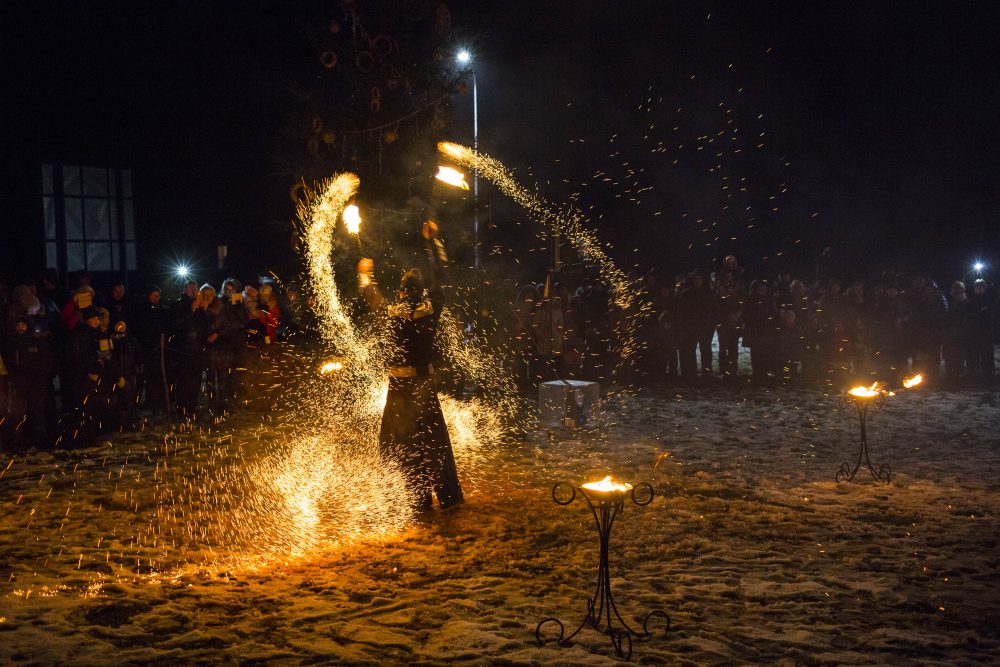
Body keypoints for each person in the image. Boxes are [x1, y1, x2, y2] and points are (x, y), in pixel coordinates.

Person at [358, 220, 463, 512]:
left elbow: (370, 294)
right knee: (435, 443)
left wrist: (365, 273)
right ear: (422, 292)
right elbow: (443, 276)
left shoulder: (391, 313)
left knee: (403, 444)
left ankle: (417, 500)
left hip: (399, 391)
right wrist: (434, 241)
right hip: (424, 387)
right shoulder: (431, 309)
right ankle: (449, 498)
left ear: (402, 292)